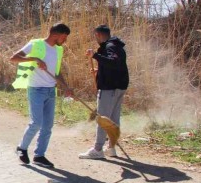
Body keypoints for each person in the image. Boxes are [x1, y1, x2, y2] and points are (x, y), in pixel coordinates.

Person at [10, 23, 72, 169]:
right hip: (36, 89)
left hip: (51, 90)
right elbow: (14, 58)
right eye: (64, 37)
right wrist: (35, 59)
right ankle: (22, 148)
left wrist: (65, 86)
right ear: (56, 35)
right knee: (36, 122)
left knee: (48, 126)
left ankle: (39, 155)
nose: (65, 41)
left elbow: (56, 71)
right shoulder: (35, 44)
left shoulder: (59, 49)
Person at [79, 25, 129, 159]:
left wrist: (95, 55)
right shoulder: (117, 46)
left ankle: (97, 149)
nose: (95, 39)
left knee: (102, 119)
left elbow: (112, 62)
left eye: (95, 36)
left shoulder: (110, 46)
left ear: (99, 35)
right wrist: (100, 72)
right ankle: (111, 148)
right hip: (119, 87)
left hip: (110, 88)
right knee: (113, 119)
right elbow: (117, 67)